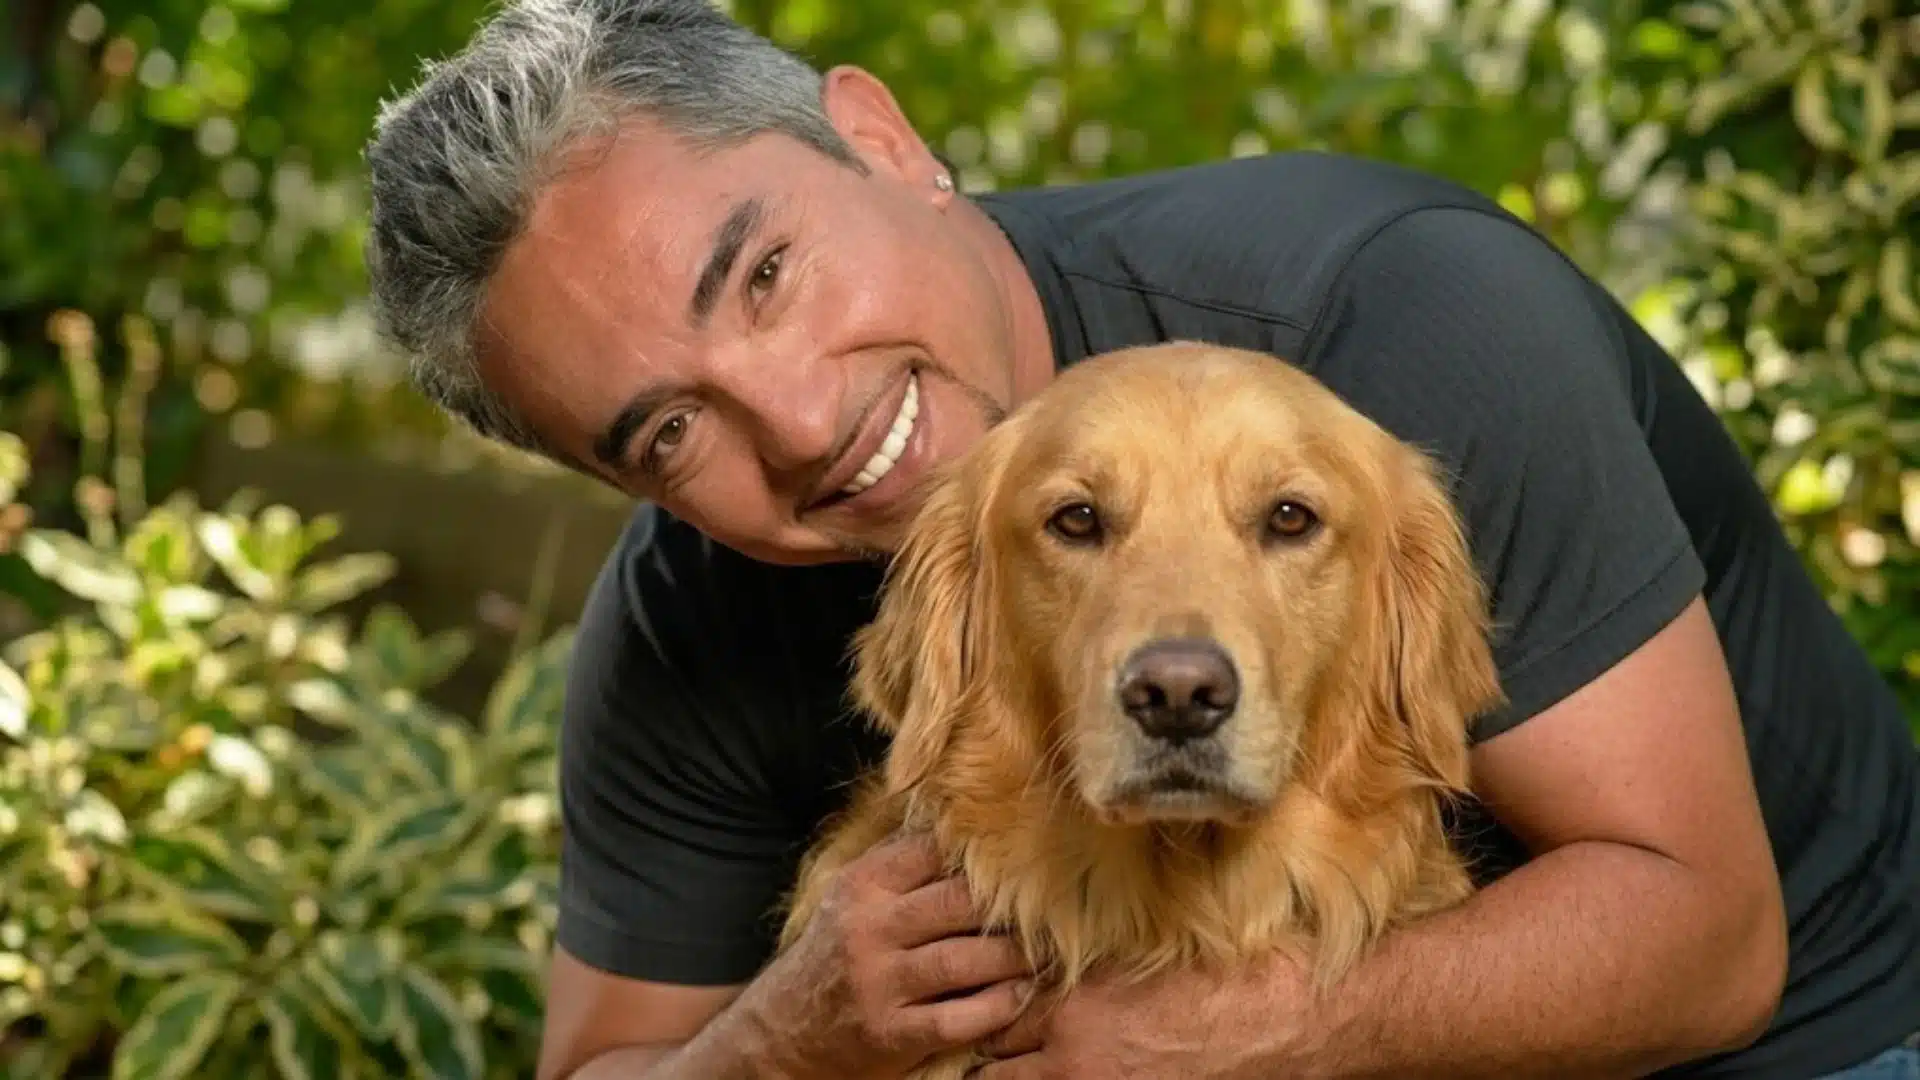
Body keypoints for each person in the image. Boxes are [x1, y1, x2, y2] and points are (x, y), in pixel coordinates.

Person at [361, 1, 1920, 1077]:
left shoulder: (1402, 324)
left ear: (883, 141)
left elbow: (1711, 942)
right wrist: (788, 1038)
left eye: (762, 273)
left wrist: (1259, 1032)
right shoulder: (685, 617)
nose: (798, 421)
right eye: (665, 430)